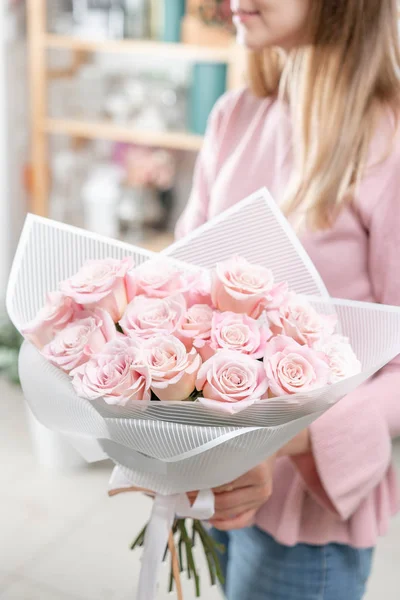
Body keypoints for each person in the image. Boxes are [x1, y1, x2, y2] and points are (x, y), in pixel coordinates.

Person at [175, 1, 400, 599]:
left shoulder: (390, 143)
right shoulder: (234, 116)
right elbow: (181, 292)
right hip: (208, 481)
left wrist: (282, 441)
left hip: (308, 520)